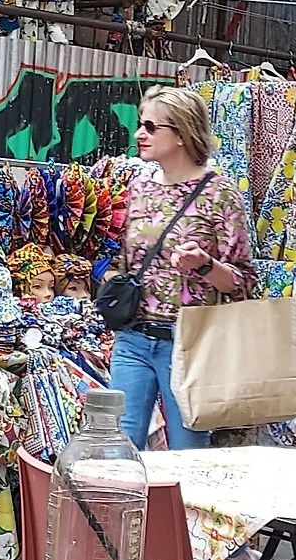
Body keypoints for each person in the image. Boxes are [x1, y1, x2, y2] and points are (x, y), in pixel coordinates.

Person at [110, 88, 256, 449]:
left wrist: (204, 265)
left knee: (188, 454)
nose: (139, 133)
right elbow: (124, 260)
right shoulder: (139, 189)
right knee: (118, 449)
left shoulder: (219, 194)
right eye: (140, 124)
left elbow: (243, 282)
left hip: (189, 344)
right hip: (133, 337)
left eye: (150, 126)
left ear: (181, 133)